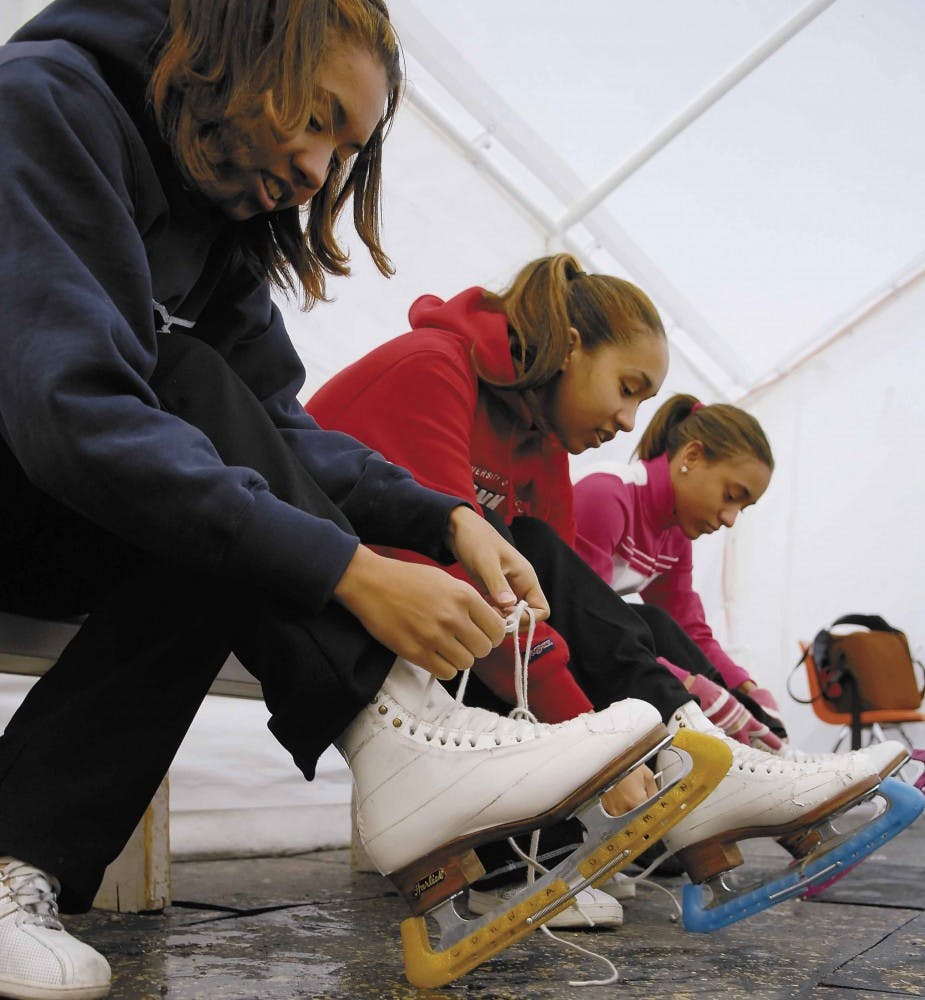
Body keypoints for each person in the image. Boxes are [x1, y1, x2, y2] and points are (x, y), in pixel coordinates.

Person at [0, 4, 677, 997]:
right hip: (33, 460)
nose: (322, 172)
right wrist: (350, 570)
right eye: (317, 120)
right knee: (183, 386)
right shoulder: (45, 105)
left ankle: (19, 855)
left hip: (71, 504)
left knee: (220, 497)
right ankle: (396, 740)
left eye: (346, 151)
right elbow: (72, 408)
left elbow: (278, 429)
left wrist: (444, 519)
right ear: (237, 52)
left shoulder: (220, 225)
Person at [307, 253, 896, 918]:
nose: (626, 421)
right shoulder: (434, 365)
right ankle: (659, 778)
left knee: (572, 583)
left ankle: (694, 754)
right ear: (571, 346)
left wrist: (679, 711)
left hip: (436, 608)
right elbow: (498, 591)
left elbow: (556, 603)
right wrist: (591, 737)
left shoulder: (543, 444)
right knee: (524, 558)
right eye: (626, 387)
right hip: (329, 584)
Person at [572, 394, 909, 775]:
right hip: (555, 644)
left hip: (594, 646)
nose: (731, 519)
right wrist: (688, 684)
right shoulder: (606, 496)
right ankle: (763, 764)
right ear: (692, 457)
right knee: (651, 623)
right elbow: (589, 625)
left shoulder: (675, 533)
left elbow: (691, 630)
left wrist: (744, 689)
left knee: (662, 626)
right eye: (731, 496)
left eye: (742, 508)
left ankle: (773, 754)